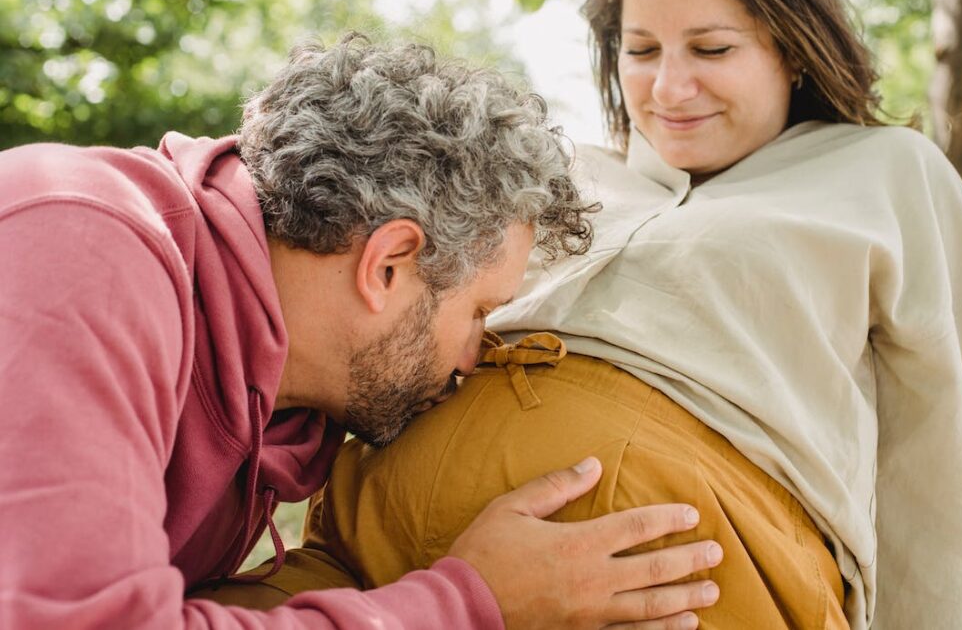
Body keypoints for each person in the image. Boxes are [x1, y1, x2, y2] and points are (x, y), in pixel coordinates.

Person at [195, 0, 962, 628]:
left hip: (653, 569)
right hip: (372, 543)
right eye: (642, 50)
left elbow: (944, 440)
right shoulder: (561, 175)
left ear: (790, 48)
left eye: (712, 50)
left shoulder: (884, 173)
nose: (668, 88)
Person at [0, 33, 728, 629]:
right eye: (478, 312)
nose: (478, 355)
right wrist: (467, 604)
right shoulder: (80, 244)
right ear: (387, 264)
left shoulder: (285, 412)